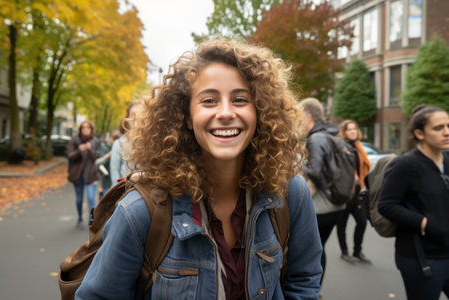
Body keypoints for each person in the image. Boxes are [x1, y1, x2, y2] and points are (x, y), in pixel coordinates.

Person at [76, 39, 323, 299]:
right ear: (187, 116)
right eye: (209, 100)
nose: (226, 112)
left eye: (240, 99)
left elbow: (304, 281)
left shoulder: (290, 194)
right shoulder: (140, 212)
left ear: (260, 111)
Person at [378, 105, 449, 300]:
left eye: (448, 126)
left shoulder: (447, 159)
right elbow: (386, 205)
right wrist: (425, 223)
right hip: (422, 259)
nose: (446, 132)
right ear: (419, 133)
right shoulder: (406, 164)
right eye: (438, 128)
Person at [299, 97, 347, 291]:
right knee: (319, 247)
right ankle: (315, 289)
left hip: (321, 206)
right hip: (337, 204)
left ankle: (313, 290)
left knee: (311, 250)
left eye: (298, 117)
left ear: (308, 117)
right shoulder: (334, 135)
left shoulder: (316, 138)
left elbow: (316, 172)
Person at [336, 120, 372, 264]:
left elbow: (364, 167)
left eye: (354, 129)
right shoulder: (340, 146)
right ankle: (344, 252)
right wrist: (352, 175)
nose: (352, 131)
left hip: (358, 191)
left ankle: (357, 251)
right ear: (343, 132)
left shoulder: (358, 147)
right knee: (342, 223)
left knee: (362, 222)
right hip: (345, 191)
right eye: (349, 129)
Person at [67, 120, 101, 229]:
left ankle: (92, 220)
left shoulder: (96, 141)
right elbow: (70, 156)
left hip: (91, 174)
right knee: (79, 199)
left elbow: (97, 156)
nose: (85, 129)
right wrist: (79, 150)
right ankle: (80, 218)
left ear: (91, 129)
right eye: (83, 127)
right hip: (78, 175)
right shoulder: (75, 140)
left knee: (91, 197)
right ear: (80, 129)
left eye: (88, 127)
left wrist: (89, 149)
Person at [110, 100, 143, 185]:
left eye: (141, 115)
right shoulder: (119, 144)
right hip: (127, 191)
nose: (137, 121)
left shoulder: (152, 142)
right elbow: (114, 171)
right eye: (133, 116)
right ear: (127, 118)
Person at [95, 129, 121, 198]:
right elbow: (99, 164)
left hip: (117, 181)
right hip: (106, 181)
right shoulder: (105, 148)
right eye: (114, 139)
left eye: (117, 139)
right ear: (110, 138)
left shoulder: (120, 148)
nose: (115, 141)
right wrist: (108, 156)